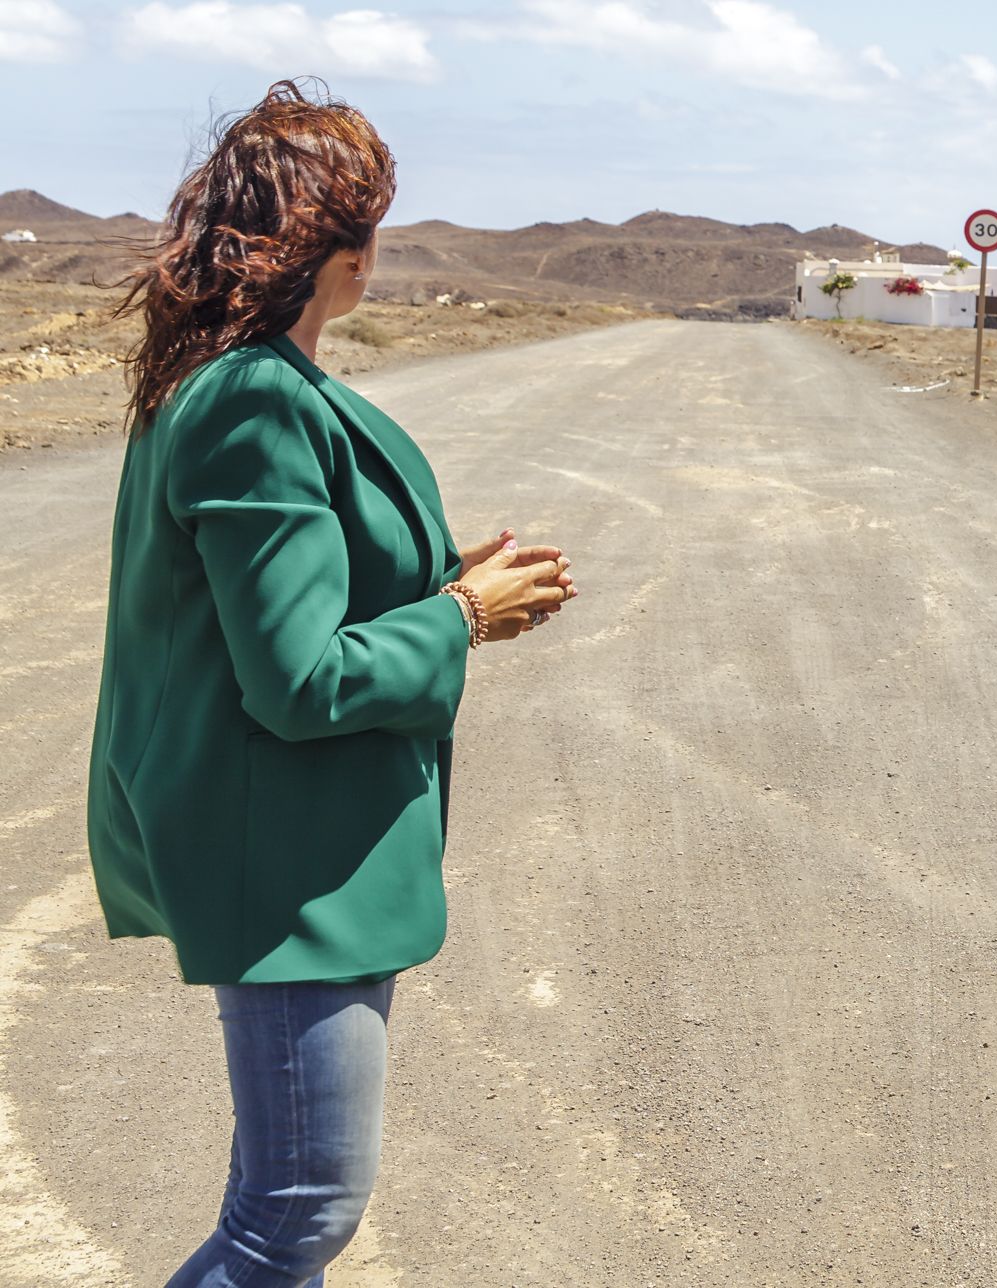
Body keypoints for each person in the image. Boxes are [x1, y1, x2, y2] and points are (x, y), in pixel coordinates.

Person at [87, 81, 576, 1286]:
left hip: (294, 842)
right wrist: (463, 614)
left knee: (292, 1206)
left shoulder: (238, 377)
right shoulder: (253, 396)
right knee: (294, 1211)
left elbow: (275, 596)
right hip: (287, 861)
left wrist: (430, 573)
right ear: (338, 249)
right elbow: (298, 679)